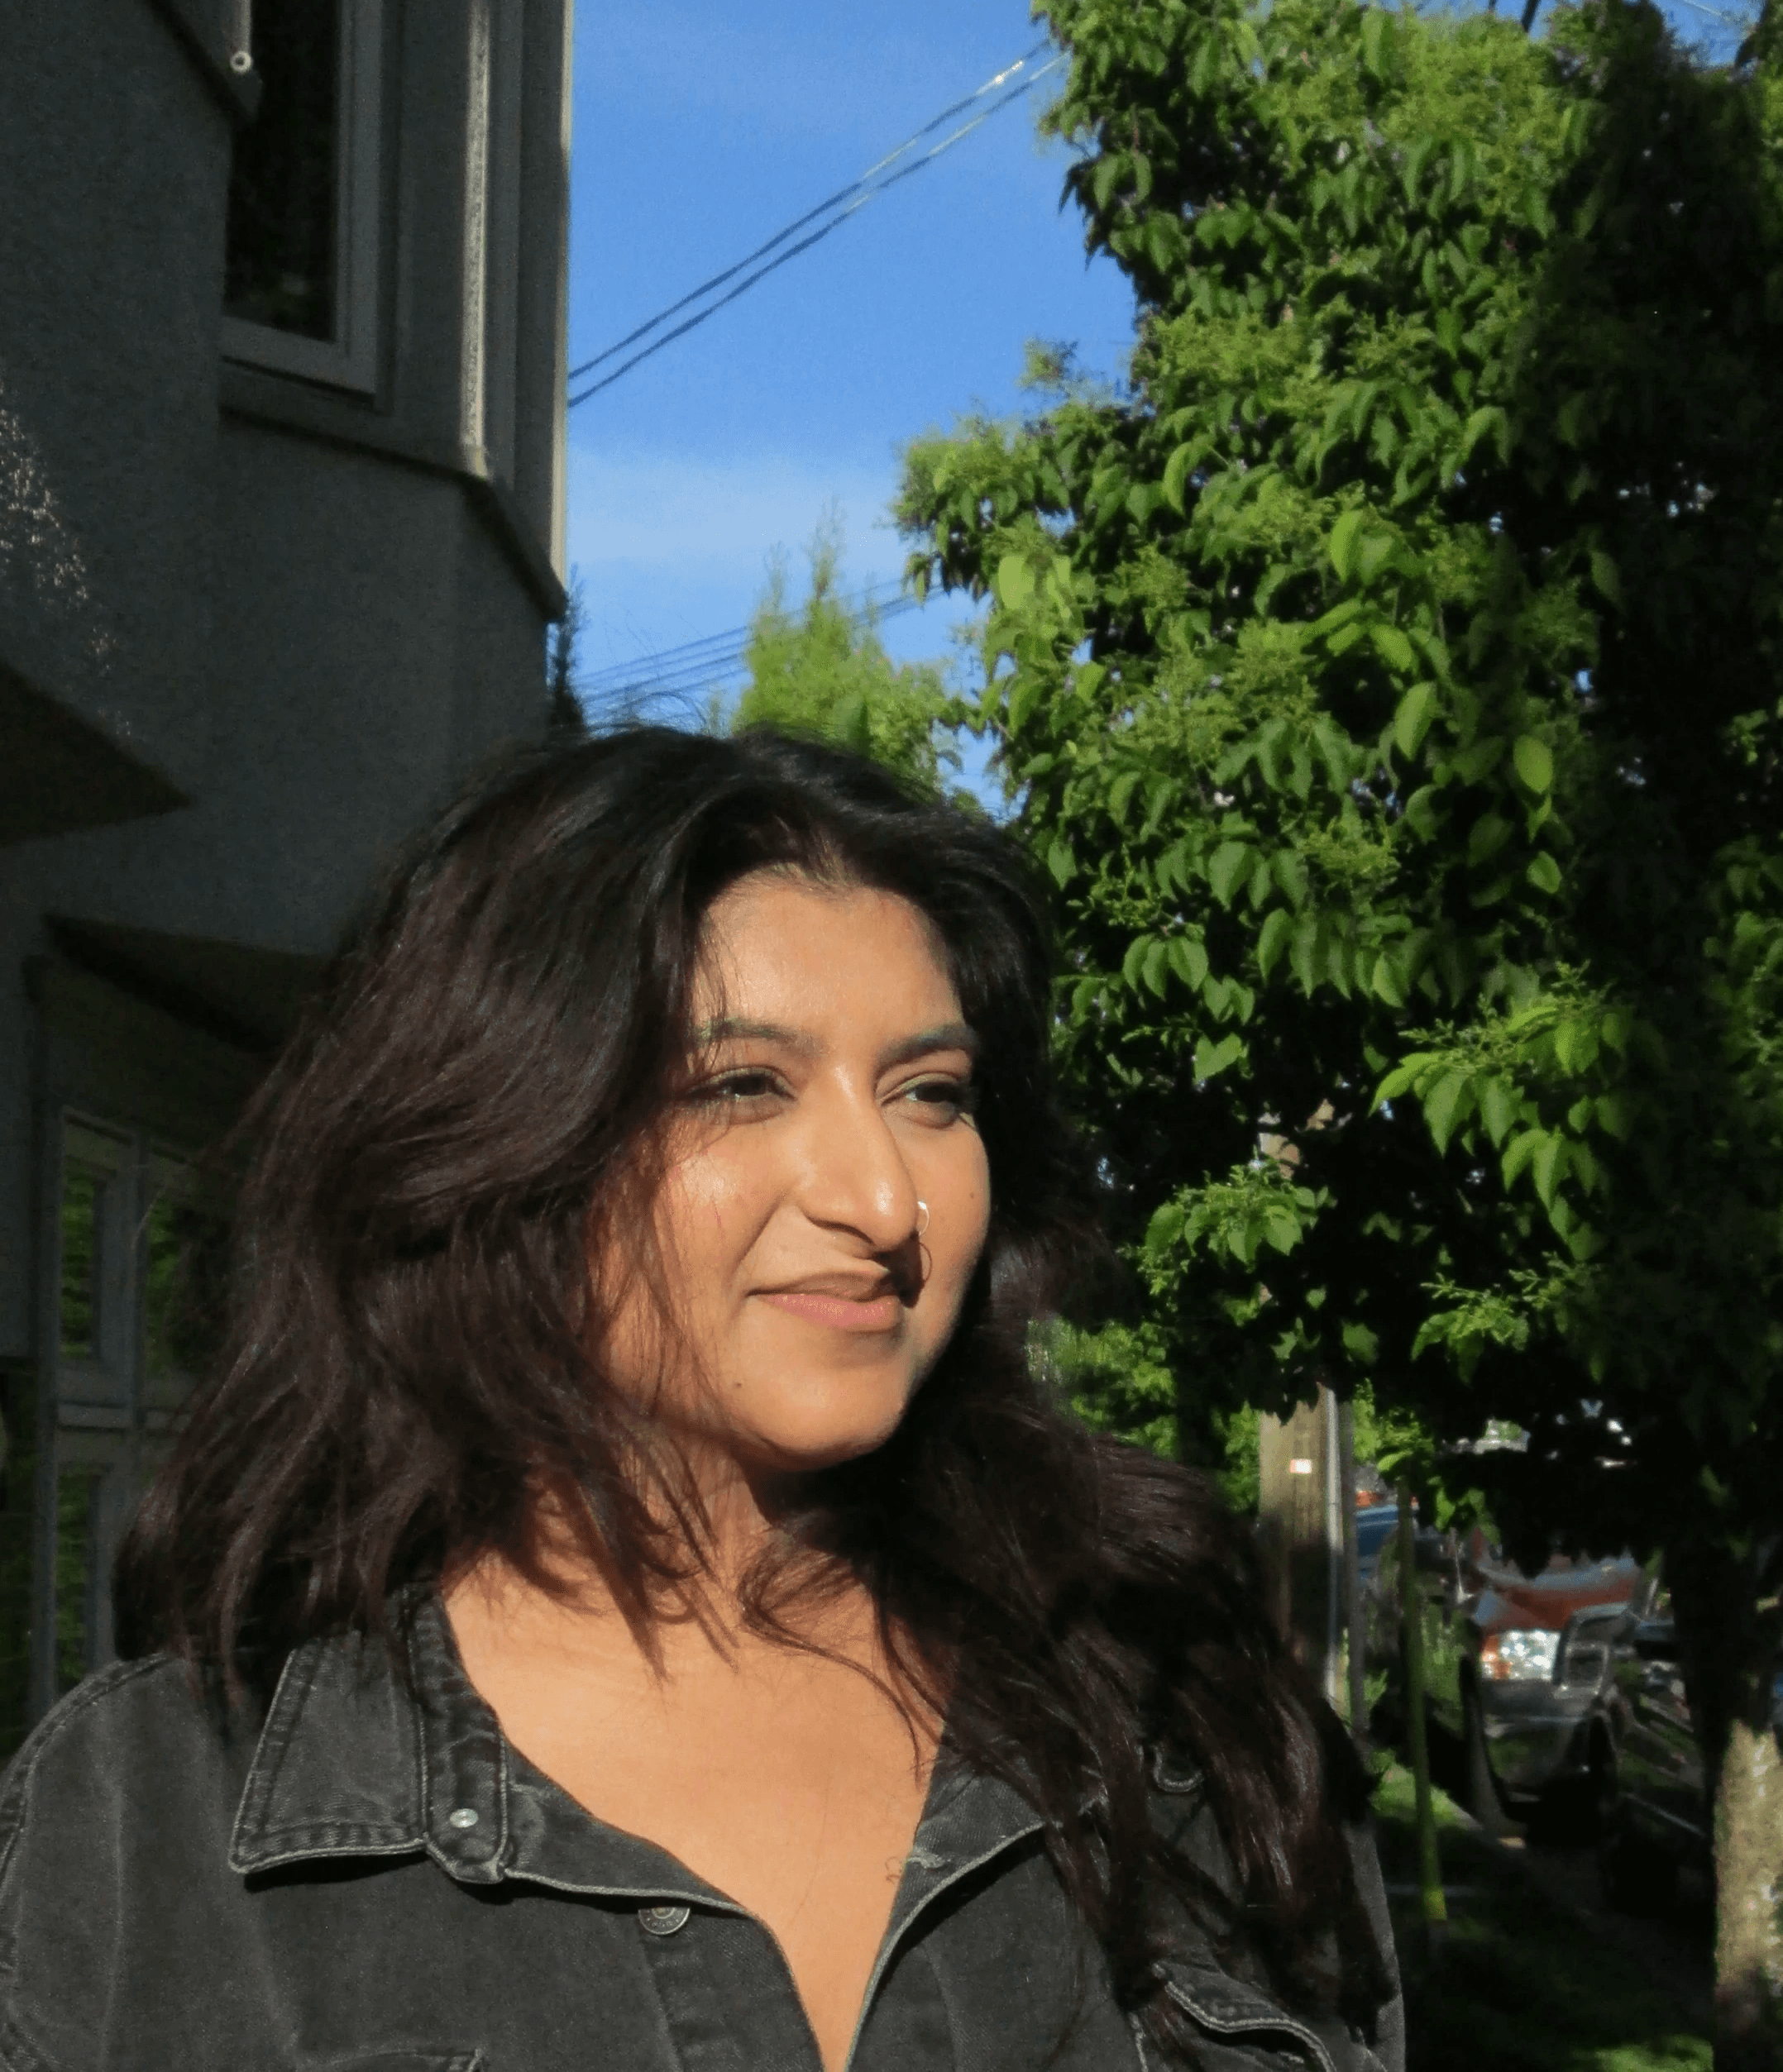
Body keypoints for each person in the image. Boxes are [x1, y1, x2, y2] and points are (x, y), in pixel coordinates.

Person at [0, 728, 1403, 2072]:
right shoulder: (144, 1824)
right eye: (741, 1082)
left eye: (930, 1091)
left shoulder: (1187, 1737)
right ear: (498, 1140)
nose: (877, 1196)